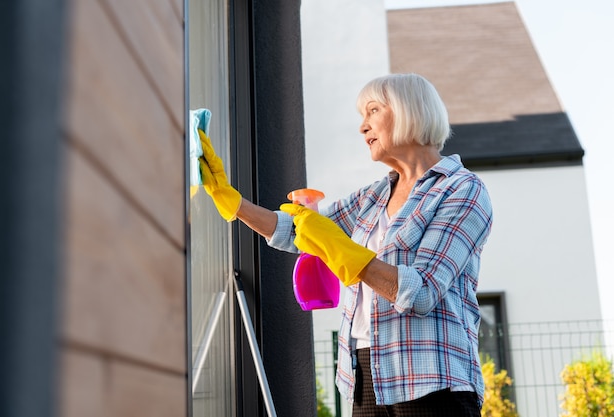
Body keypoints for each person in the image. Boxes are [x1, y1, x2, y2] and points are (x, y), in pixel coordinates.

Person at [198, 73, 493, 417]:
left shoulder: (462, 190)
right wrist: (232, 201)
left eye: (372, 111)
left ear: (409, 111)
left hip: (432, 380)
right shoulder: (374, 196)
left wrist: (340, 248)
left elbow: (423, 291)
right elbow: (298, 231)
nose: (362, 127)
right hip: (365, 376)